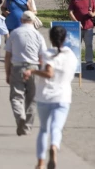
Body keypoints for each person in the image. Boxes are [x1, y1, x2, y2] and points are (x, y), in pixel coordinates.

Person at [23, 25, 77, 169]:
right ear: (65, 38)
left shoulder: (48, 54)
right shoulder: (71, 55)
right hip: (63, 97)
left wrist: (32, 71)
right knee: (56, 128)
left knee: (43, 130)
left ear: (50, 38)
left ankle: (40, 162)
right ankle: (54, 146)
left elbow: (49, 74)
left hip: (45, 96)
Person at [5, 11, 47, 136]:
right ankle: (27, 127)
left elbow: (8, 55)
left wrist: (7, 72)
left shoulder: (14, 33)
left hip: (17, 68)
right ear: (33, 21)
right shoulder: (38, 35)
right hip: (33, 68)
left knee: (16, 97)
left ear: (21, 20)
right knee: (32, 98)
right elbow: (42, 57)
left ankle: (20, 117)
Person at [68, 0, 95, 70]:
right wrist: (76, 22)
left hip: (89, 26)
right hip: (77, 27)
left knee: (89, 44)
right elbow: (70, 12)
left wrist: (93, 14)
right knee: (76, 45)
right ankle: (75, 63)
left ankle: (89, 62)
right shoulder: (74, 0)